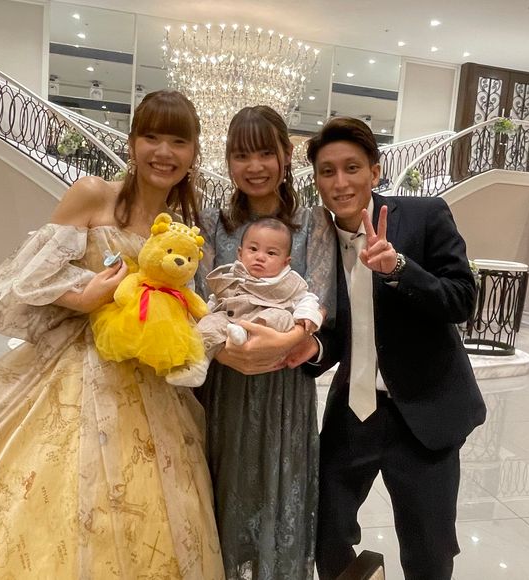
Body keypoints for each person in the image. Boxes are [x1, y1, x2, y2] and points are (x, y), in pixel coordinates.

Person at [0, 90, 225, 579]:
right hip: (75, 366)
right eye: (151, 137)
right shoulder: (92, 193)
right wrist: (85, 296)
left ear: (193, 153)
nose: (163, 152)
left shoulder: (179, 227)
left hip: (151, 379)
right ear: (132, 143)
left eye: (178, 141)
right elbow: (26, 277)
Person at [303, 117, 487, 580]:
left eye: (352, 168)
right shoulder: (317, 241)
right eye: (327, 171)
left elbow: (461, 300)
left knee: (428, 552)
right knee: (325, 533)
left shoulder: (424, 215)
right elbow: (339, 330)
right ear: (316, 180)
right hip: (355, 410)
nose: (340, 183)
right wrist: (311, 351)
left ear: (375, 171)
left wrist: (400, 268)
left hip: (425, 410)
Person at [196, 105, 336, 579]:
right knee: (223, 486)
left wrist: (281, 343)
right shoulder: (211, 223)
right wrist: (229, 352)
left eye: (264, 153)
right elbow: (199, 299)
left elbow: (320, 299)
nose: (254, 166)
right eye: (241, 155)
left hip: (285, 388)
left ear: (286, 154)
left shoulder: (313, 223)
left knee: (280, 492)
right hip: (223, 384)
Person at [168, 217, 322, 387]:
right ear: (240, 253)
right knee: (208, 325)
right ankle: (198, 366)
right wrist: (207, 314)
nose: (260, 257)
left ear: (286, 262)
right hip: (231, 322)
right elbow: (216, 299)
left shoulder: (289, 282)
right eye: (253, 249)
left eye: (271, 253)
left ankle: (243, 333)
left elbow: (308, 299)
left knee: (281, 317)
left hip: (266, 329)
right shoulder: (232, 276)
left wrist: (306, 315)